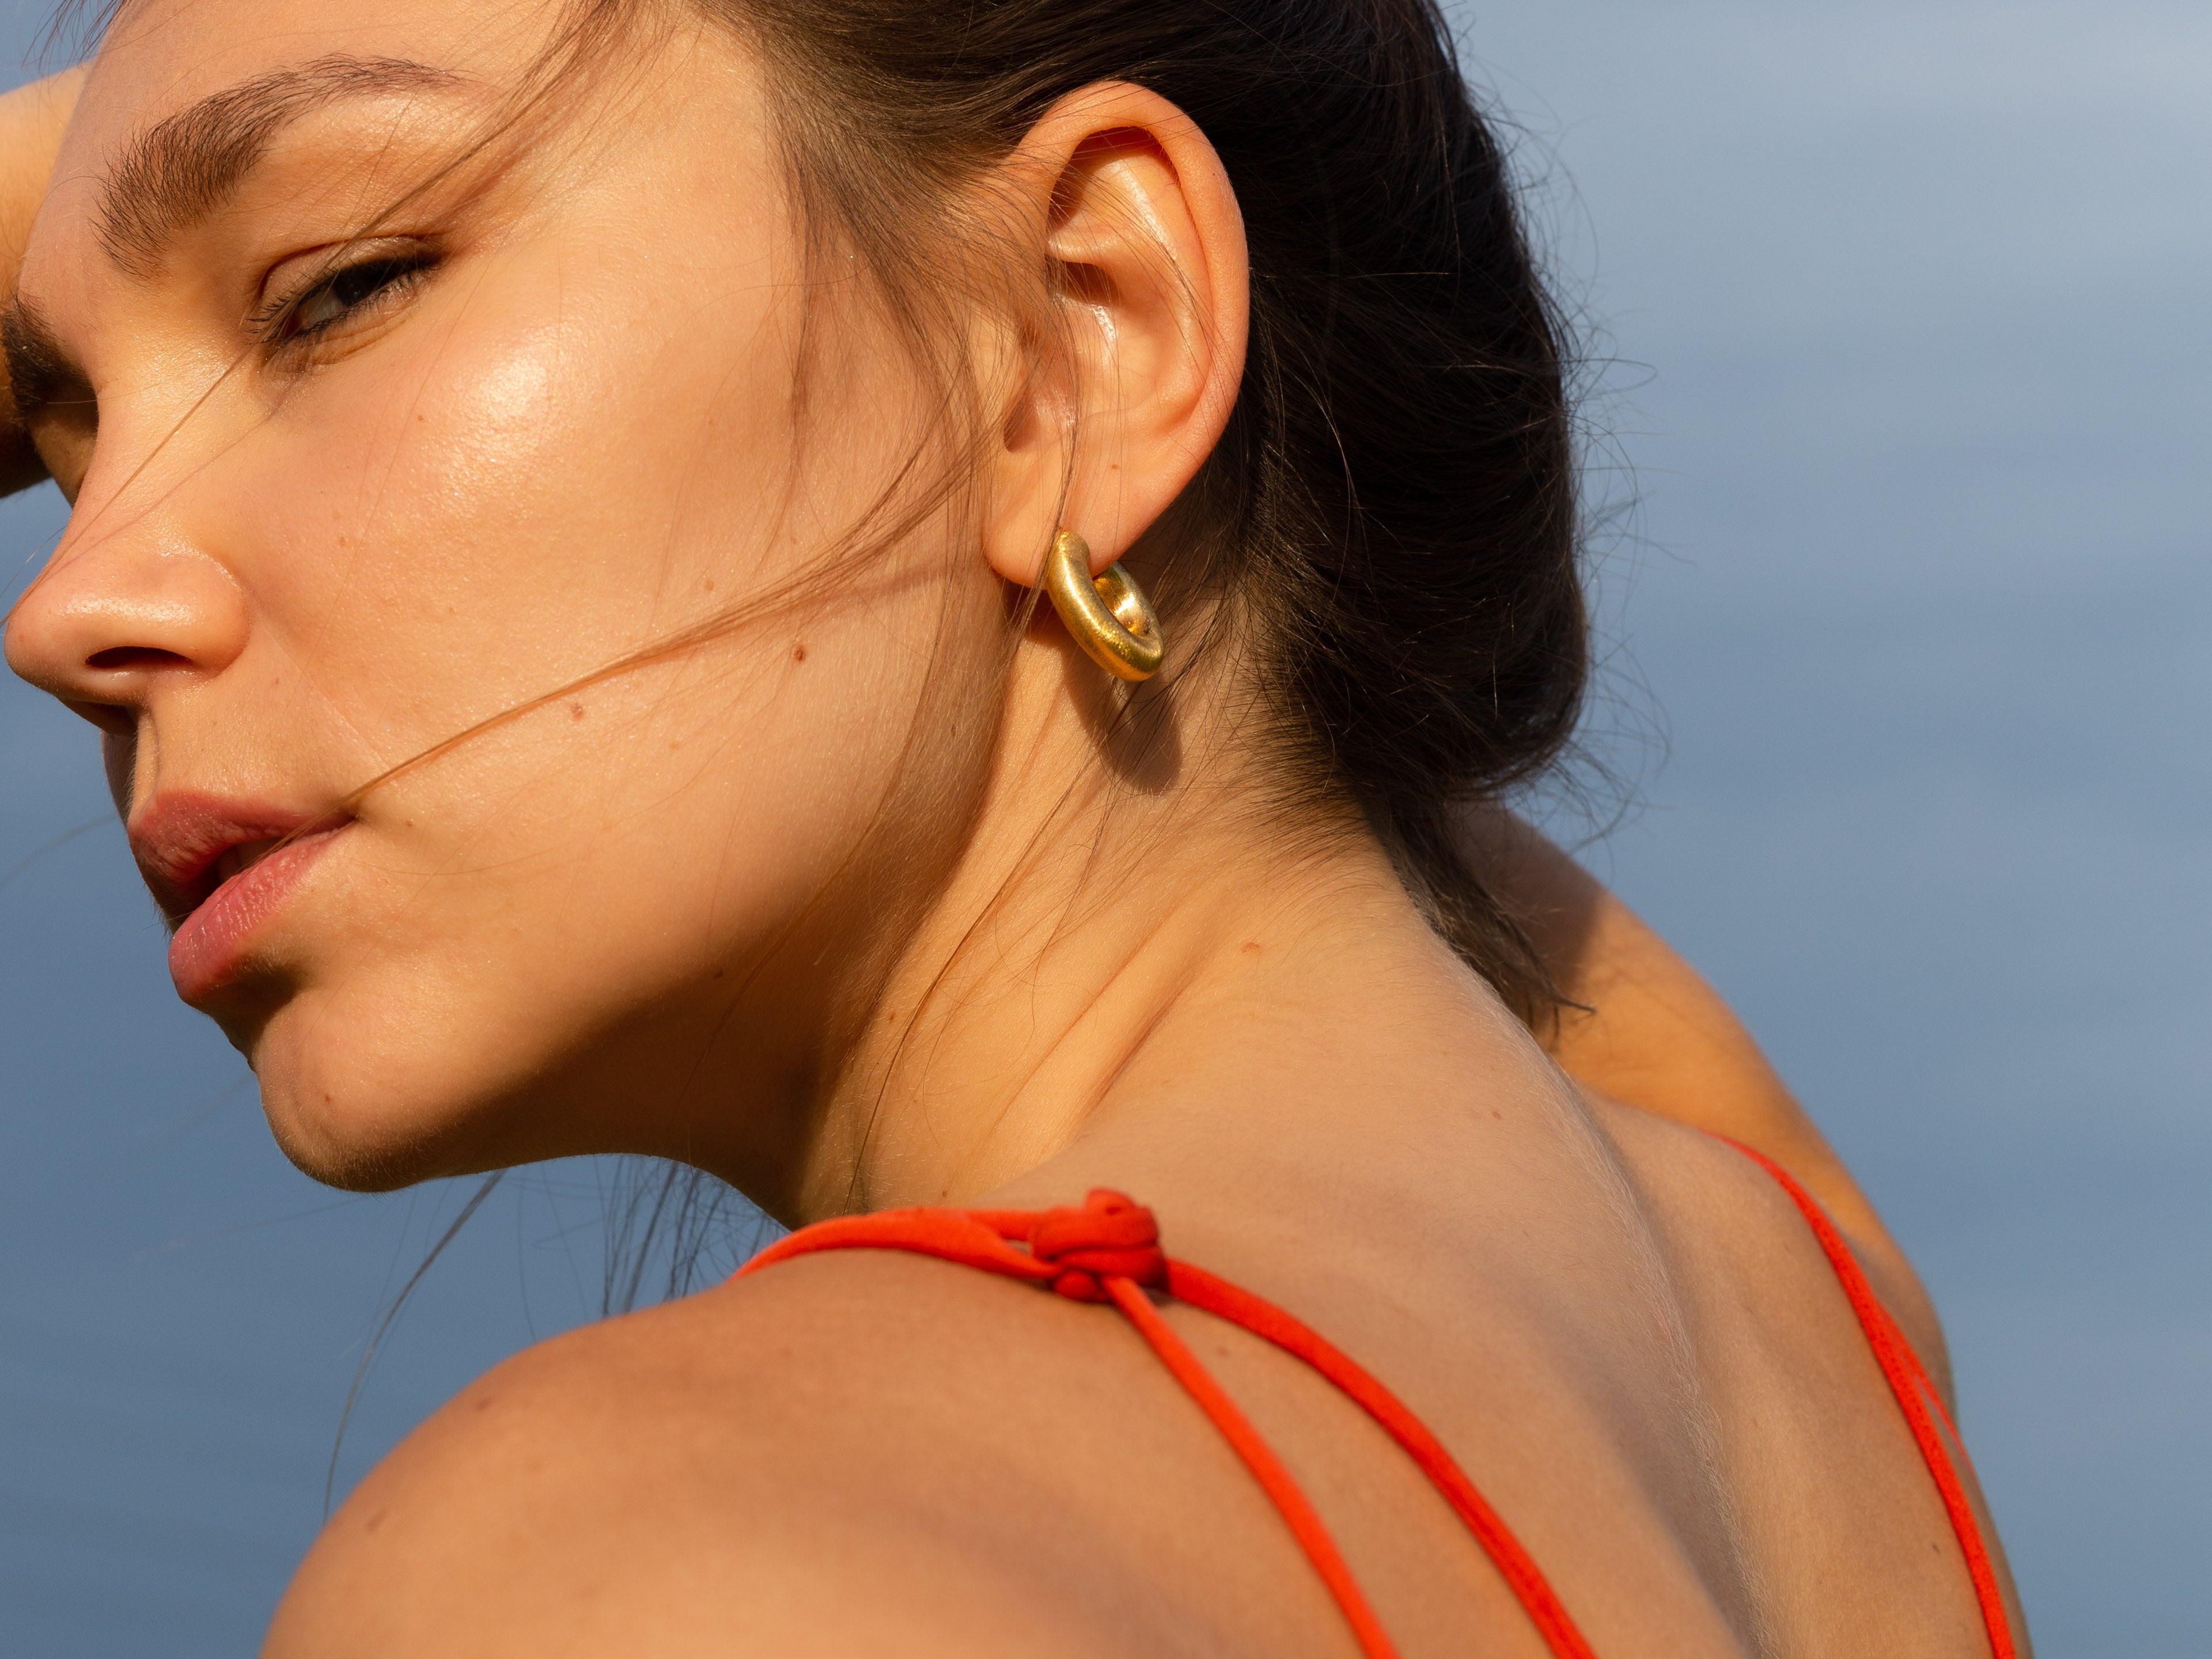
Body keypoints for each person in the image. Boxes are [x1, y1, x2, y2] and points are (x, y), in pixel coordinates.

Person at [0, 0, 2027, 1652]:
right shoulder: (1807, 1338)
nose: (70, 607)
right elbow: (1337, 811)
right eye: (70, 426)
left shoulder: (661, 1570)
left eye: (338, 290)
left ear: (1088, 324)